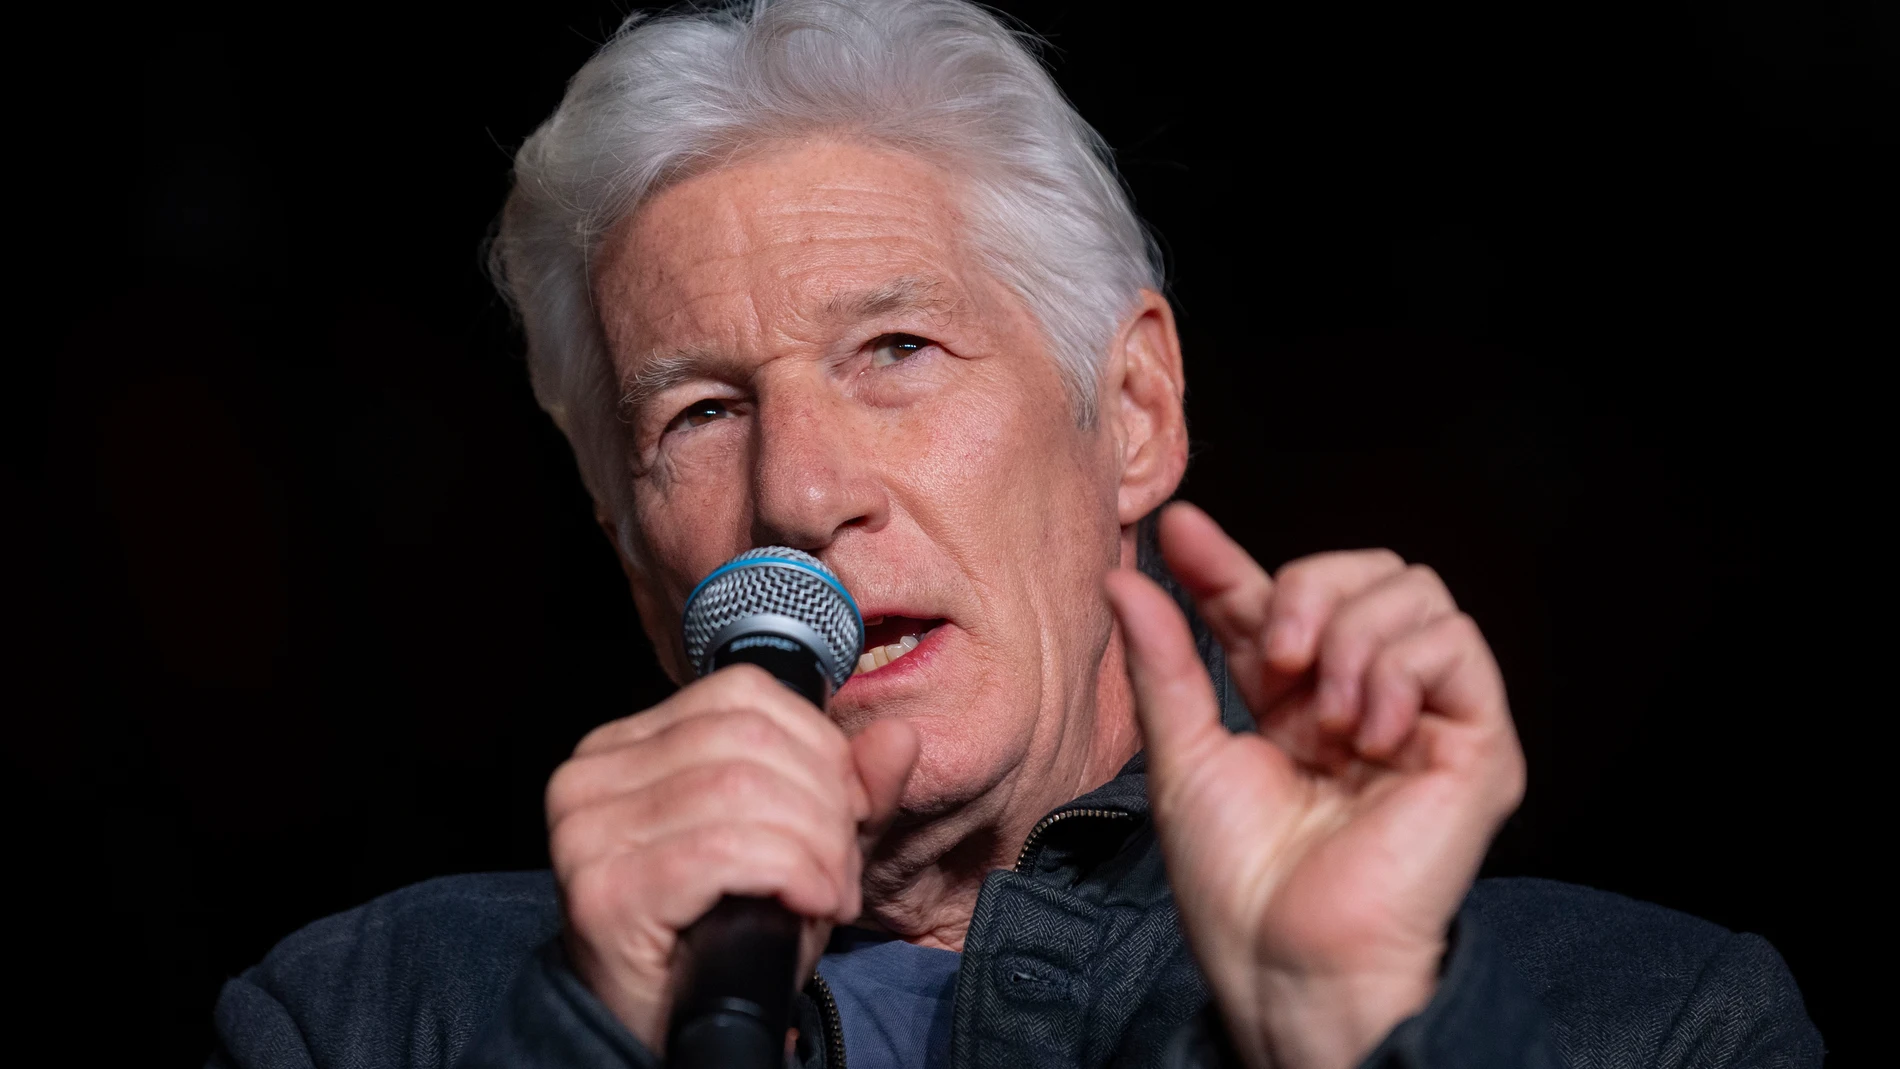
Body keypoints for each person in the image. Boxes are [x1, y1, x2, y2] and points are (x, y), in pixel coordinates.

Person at [210, 1, 1822, 1066]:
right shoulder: (360, 1021)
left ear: (1128, 412)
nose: (798, 491)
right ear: (634, 546)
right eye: (697, 413)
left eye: (896, 352)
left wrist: (1362, 1037)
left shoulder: (1651, 1024)